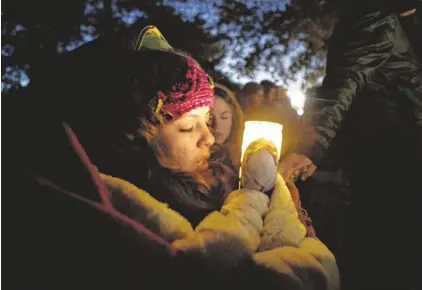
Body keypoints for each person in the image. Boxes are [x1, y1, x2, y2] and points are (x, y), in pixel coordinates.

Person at [12, 25, 340, 290]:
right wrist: (251, 205)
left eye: (208, 121)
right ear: (137, 135)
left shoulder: (229, 178)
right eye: (187, 128)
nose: (209, 139)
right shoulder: (116, 205)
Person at [279, 2, 422, 289]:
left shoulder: (393, 19)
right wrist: (311, 146)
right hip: (394, 160)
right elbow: (341, 86)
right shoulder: (375, 17)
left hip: (397, 158)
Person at [209, 83, 244, 174]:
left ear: (233, 118)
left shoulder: (242, 160)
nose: (217, 125)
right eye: (209, 119)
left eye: (224, 117)